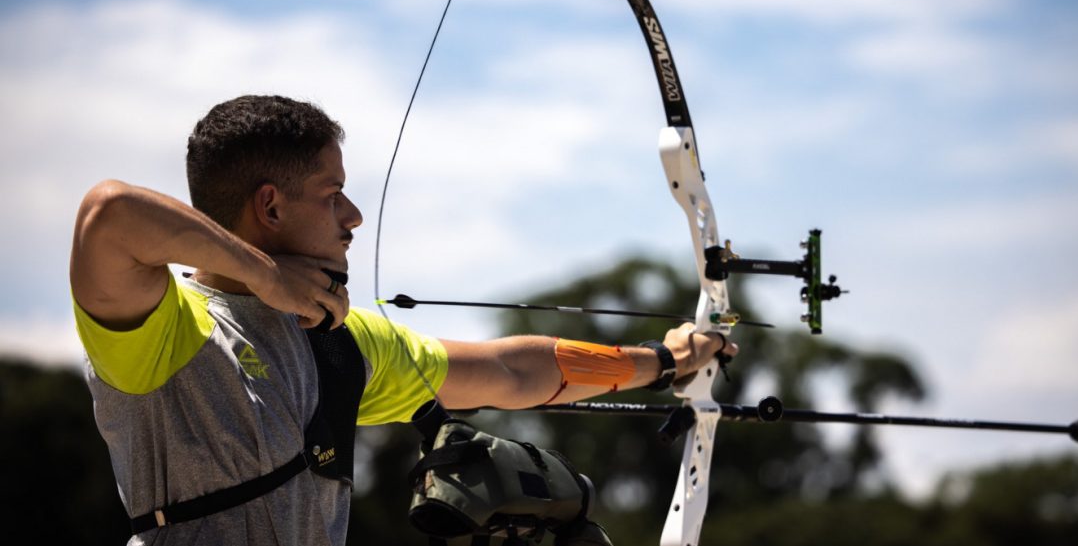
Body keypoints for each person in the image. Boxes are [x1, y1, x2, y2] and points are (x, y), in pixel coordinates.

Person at [70, 94, 735, 546]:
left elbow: (508, 370)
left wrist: (661, 360)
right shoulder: (171, 329)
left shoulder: (339, 338)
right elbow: (110, 214)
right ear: (269, 208)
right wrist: (266, 275)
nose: (353, 215)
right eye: (332, 195)